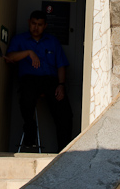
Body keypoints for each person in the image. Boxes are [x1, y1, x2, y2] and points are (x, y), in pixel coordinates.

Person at [5, 10, 73, 152]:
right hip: (29, 80)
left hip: (50, 81)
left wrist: (61, 85)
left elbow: (61, 65)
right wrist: (29, 52)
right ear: (29, 23)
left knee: (64, 112)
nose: (36, 27)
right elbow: (10, 57)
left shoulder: (52, 41)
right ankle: (30, 131)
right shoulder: (20, 39)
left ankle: (65, 151)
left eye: (40, 24)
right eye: (34, 24)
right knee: (26, 98)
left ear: (45, 25)